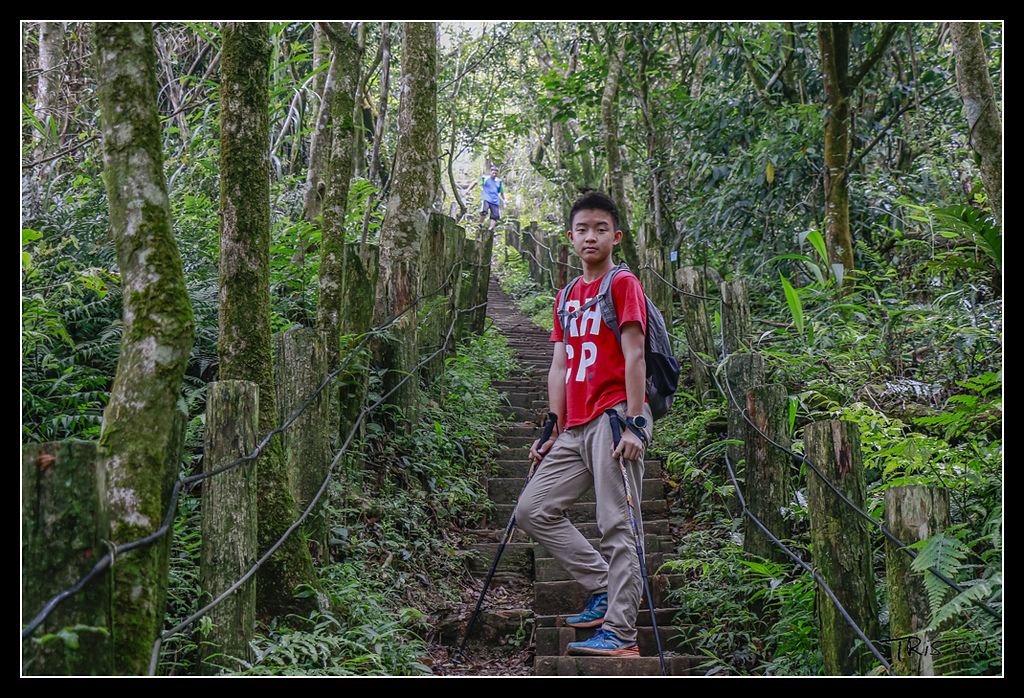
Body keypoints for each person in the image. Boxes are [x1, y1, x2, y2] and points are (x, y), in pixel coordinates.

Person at [517, 191, 653, 657]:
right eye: (581, 229)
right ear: (571, 238)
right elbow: (559, 366)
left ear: (615, 236)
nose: (590, 236)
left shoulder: (622, 284)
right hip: (574, 426)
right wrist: (552, 429)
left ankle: (621, 634)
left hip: (615, 416)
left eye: (600, 228)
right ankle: (601, 585)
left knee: (616, 523)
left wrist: (635, 423)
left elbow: (634, 354)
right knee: (532, 509)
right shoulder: (566, 296)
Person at [466, 165, 506, 230]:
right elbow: (475, 182)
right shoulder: (485, 178)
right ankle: (480, 224)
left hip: (495, 201)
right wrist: (468, 190)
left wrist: (505, 199)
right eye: (493, 173)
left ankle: (491, 228)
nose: (494, 174)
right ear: (490, 172)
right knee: (484, 211)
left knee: (494, 216)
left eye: (496, 173)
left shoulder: (499, 181)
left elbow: (502, 191)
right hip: (486, 198)